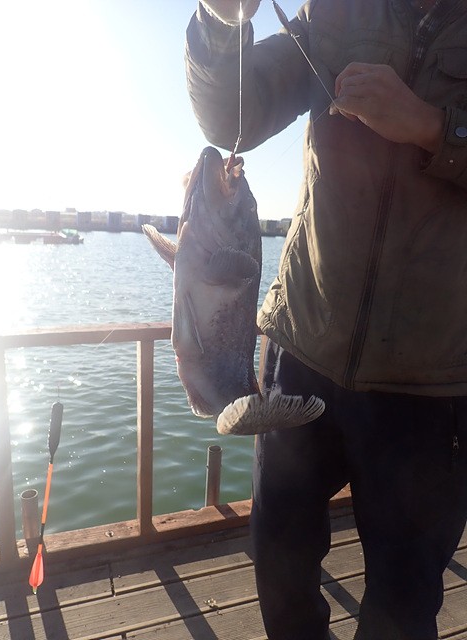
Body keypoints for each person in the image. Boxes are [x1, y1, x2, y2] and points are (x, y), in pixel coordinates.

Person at [185, 1, 467, 638]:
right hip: (302, 353)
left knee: (403, 609)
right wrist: (221, 20)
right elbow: (232, 118)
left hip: (433, 388)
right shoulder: (337, 8)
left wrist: (432, 127)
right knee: (280, 571)